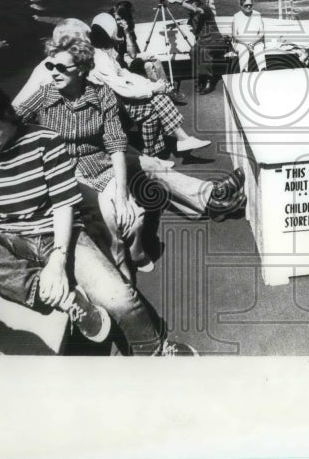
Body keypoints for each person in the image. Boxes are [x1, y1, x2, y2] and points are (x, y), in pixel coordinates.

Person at [0, 84, 196, 355]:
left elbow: (64, 205)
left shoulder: (45, 141)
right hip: (7, 237)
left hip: (61, 235)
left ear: (8, 117)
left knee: (122, 301)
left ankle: (157, 350)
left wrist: (58, 261)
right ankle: (66, 301)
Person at [15, 33, 245, 277]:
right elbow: (11, 118)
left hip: (100, 161)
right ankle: (207, 201)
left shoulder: (99, 93)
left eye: (60, 67)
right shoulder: (45, 92)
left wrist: (122, 194)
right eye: (50, 66)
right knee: (141, 180)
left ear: (81, 68)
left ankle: (211, 197)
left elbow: (114, 145)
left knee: (147, 167)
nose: (53, 71)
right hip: (68, 173)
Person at [20, 16, 208, 157]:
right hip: (66, 139)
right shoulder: (51, 70)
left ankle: (156, 155)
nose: (89, 45)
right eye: (86, 40)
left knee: (150, 106)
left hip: (94, 116)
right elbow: (19, 109)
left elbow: (115, 81)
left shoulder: (84, 61)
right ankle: (160, 153)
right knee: (152, 105)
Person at [110, 1, 187, 105]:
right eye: (116, 19)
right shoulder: (116, 30)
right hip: (121, 60)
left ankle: (160, 93)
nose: (118, 21)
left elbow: (134, 48)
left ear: (126, 17)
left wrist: (128, 30)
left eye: (120, 19)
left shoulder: (127, 26)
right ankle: (168, 88)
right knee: (152, 56)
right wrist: (127, 32)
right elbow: (132, 55)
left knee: (148, 65)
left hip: (129, 57)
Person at [169, 0, 228, 94]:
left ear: (196, 2)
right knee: (193, 51)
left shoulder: (205, 8)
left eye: (191, 2)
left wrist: (178, 1)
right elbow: (189, 20)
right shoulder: (192, 15)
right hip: (203, 41)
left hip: (215, 41)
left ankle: (209, 81)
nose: (190, 5)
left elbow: (197, 10)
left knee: (203, 52)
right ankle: (202, 77)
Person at [230, 0, 267, 72]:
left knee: (259, 48)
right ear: (241, 6)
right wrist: (247, 44)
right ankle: (244, 72)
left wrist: (252, 43)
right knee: (243, 49)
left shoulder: (257, 15)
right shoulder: (236, 16)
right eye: (246, 5)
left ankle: (263, 70)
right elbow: (234, 35)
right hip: (241, 42)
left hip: (255, 41)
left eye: (250, 5)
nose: (249, 6)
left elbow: (261, 33)